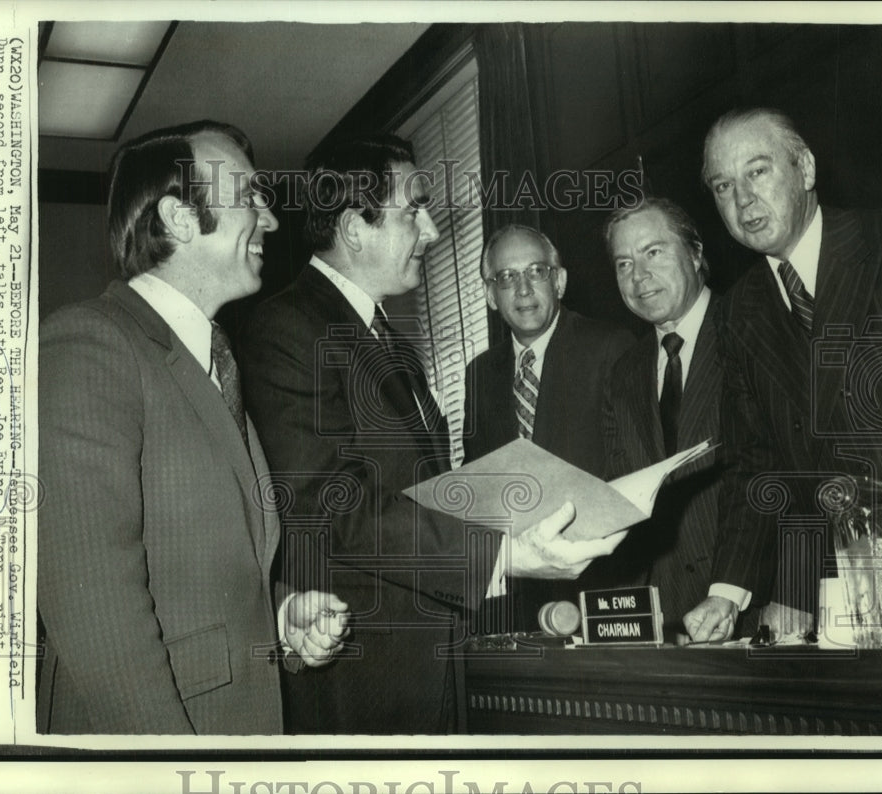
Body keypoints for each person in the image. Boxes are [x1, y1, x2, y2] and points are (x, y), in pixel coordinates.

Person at [240, 134, 627, 733]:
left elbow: (426, 491)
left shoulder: (396, 347)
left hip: (438, 661)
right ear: (354, 227)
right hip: (363, 680)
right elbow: (331, 505)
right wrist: (504, 555)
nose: (432, 231)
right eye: (413, 209)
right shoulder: (287, 330)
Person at [37, 120, 349, 735]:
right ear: (180, 219)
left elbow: (186, 560)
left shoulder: (213, 361)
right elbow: (94, 607)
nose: (271, 219)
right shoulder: (89, 344)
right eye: (251, 197)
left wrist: (279, 613)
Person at [684, 107, 882, 642]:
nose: (743, 200)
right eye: (723, 185)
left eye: (758, 172)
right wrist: (728, 593)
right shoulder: (737, 312)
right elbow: (757, 465)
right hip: (837, 596)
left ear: (804, 169)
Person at [463, 224, 634, 632]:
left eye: (536, 272)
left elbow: (630, 476)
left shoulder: (610, 348)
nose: (522, 289)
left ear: (559, 281)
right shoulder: (479, 374)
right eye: (506, 278)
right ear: (490, 295)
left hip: (601, 588)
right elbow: (478, 486)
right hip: (515, 601)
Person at [601, 197, 750, 641]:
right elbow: (621, 504)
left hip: (756, 609)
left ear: (696, 253)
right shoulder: (623, 373)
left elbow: (789, 477)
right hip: (667, 625)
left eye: (653, 252)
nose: (638, 276)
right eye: (623, 263)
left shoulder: (751, 329)